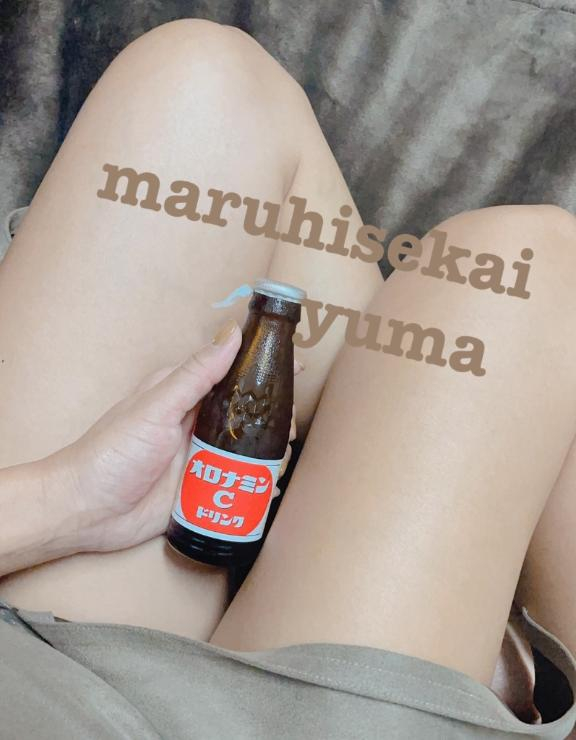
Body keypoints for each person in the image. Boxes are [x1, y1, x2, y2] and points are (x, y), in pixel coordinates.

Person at [0, 19, 575, 739]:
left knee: (202, 82)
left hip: (36, 657)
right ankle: (456, 581)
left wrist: (68, 500)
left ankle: (419, 553)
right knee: (537, 267)